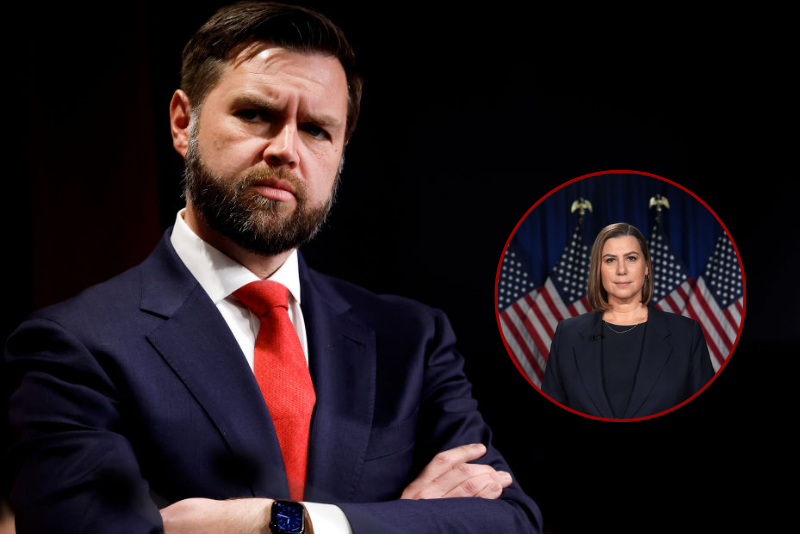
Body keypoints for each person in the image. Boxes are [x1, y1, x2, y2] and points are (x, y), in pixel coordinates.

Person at [3, 2, 541, 533]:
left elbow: (510, 521)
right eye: (256, 114)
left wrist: (279, 523)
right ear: (182, 122)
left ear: (341, 151)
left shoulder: (412, 340)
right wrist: (404, 520)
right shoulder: (71, 346)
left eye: (316, 129)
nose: (286, 149)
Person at [541, 222, 715, 418]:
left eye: (631, 258)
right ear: (598, 270)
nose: (621, 270)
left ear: (647, 267)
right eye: (610, 260)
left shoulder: (686, 334)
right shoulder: (568, 334)